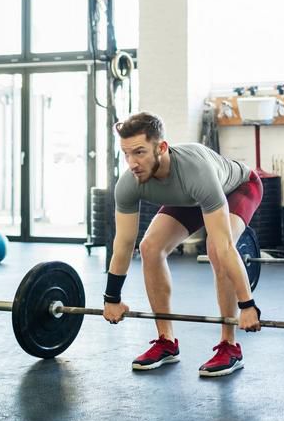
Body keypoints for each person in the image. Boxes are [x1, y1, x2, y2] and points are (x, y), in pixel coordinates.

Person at [104, 112, 263, 377]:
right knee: (150, 247)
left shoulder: (195, 171)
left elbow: (224, 246)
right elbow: (123, 243)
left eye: (140, 152)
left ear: (162, 147)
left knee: (215, 248)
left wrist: (247, 306)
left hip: (237, 188)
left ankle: (230, 346)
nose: (132, 163)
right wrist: (112, 298)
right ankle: (166, 342)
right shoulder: (129, 183)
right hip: (190, 197)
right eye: (127, 154)